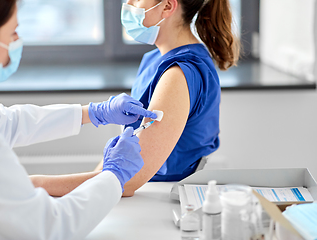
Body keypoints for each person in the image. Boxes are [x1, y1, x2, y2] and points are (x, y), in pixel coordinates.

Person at [0, 0, 157, 239]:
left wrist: (93, 112)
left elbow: (7, 123)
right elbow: (51, 227)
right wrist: (114, 175)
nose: (16, 42)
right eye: (12, 33)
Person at [31, 0, 240, 197]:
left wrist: (36, 185)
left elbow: (127, 180)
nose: (127, 5)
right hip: (142, 190)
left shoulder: (178, 74)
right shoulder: (155, 58)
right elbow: (117, 166)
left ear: (167, 6)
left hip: (157, 196)